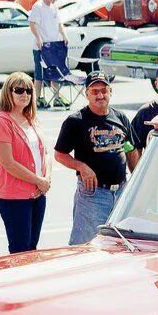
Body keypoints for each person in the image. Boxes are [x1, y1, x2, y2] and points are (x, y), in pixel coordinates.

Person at [53, 73, 138, 244]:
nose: (100, 95)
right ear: (87, 94)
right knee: (86, 245)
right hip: (93, 195)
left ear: (110, 91)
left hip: (121, 192)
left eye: (104, 90)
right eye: (95, 91)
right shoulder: (75, 121)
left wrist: (137, 182)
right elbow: (60, 154)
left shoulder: (120, 118)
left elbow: (130, 149)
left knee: (120, 244)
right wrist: (82, 167)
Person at [0, 72, 50, 253]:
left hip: (38, 193)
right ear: (8, 92)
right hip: (13, 196)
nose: (25, 94)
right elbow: (8, 163)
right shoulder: (0, 120)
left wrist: (46, 179)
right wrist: (39, 181)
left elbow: (46, 153)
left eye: (29, 90)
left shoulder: (31, 118)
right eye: (19, 90)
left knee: (31, 248)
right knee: (20, 251)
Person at [28, 0, 67, 105]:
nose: (55, 0)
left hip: (54, 44)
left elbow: (59, 23)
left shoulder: (54, 7)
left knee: (55, 72)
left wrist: (64, 35)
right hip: (41, 46)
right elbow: (32, 24)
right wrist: (38, 38)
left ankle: (57, 97)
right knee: (39, 73)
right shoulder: (38, 7)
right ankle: (37, 98)